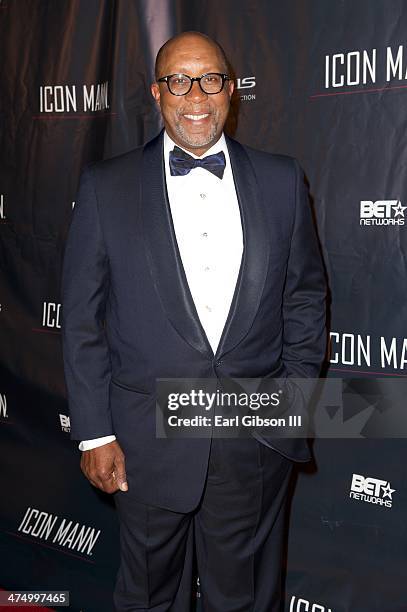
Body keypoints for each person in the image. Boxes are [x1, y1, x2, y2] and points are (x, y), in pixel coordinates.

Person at [61, 31, 326, 612]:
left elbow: (304, 298)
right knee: (150, 596)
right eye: (179, 81)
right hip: (143, 441)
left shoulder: (283, 181)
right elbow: (81, 319)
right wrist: (95, 431)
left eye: (210, 80)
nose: (196, 96)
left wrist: (293, 397)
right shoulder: (106, 187)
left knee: (245, 598)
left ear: (230, 90)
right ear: (158, 93)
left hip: (254, 438)